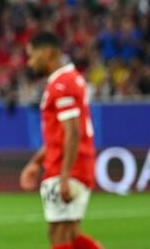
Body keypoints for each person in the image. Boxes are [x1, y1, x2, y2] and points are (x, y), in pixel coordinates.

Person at [20, 32, 102, 249]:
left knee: (59, 234)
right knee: (70, 233)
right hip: (72, 164)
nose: (29, 62)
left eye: (31, 56)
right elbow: (60, 136)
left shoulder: (62, 83)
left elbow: (72, 133)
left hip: (68, 168)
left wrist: (65, 175)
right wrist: (36, 162)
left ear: (46, 52)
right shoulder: (68, 78)